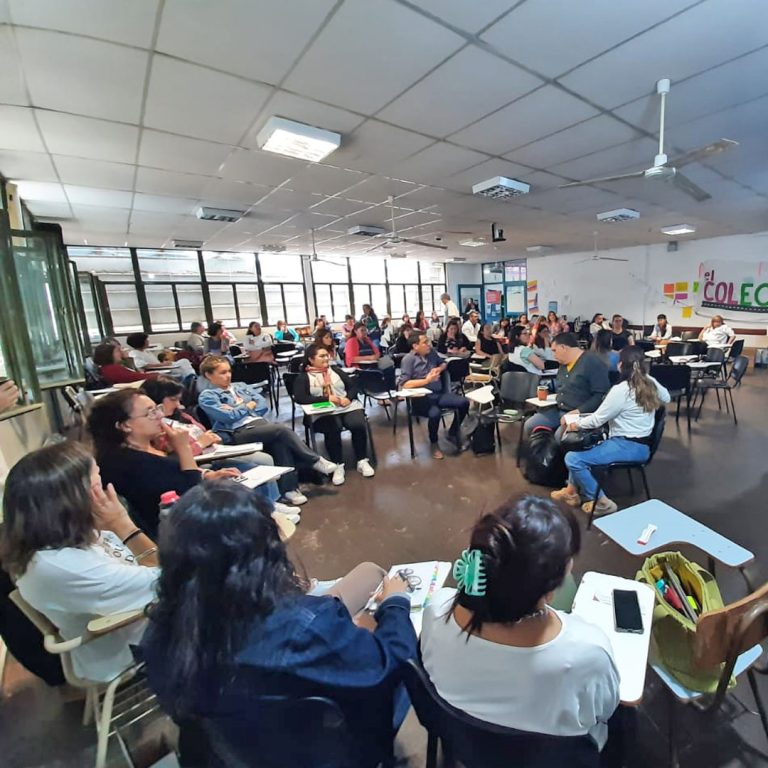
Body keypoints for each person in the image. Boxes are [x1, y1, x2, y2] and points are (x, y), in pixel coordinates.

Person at [140, 482, 417, 767]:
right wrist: (395, 604)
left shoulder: (159, 634)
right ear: (264, 551)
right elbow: (392, 665)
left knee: (368, 574)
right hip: (335, 750)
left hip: (238, 754)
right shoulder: (305, 627)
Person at [420, 496, 619, 751]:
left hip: (465, 745)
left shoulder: (438, 610)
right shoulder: (587, 653)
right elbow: (604, 711)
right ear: (550, 591)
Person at [0, 441, 159, 682]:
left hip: (143, 622)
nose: (105, 488)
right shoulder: (59, 565)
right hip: (133, 650)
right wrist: (124, 526)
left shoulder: (75, 536)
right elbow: (172, 581)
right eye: (97, 480)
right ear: (73, 496)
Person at [89, 390, 248, 538]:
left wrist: (206, 475)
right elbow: (192, 496)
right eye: (150, 413)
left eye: (157, 408)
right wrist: (183, 448)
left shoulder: (148, 446)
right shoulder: (129, 463)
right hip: (180, 532)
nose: (160, 415)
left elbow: (174, 474)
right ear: (124, 425)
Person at [140, 377, 300, 523]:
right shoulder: (161, 427)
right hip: (208, 455)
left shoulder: (180, 414)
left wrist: (209, 436)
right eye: (173, 400)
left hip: (215, 448)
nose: (178, 404)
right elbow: (176, 455)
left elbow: (260, 406)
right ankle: (271, 505)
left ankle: (271, 503)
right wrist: (200, 443)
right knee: (278, 436)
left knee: (273, 446)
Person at [197, 356, 338, 505]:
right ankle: (314, 460)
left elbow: (263, 405)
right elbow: (227, 417)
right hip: (236, 432)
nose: (228, 376)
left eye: (229, 371)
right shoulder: (208, 396)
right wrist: (247, 405)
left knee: (279, 443)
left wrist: (238, 408)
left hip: (259, 424)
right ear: (209, 375)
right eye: (222, 373)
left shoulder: (241, 386)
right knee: (281, 430)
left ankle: (288, 490)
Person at [555, 346, 670, 516]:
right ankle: (571, 492)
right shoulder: (649, 383)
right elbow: (666, 397)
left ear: (620, 365)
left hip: (626, 446)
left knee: (573, 459)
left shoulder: (621, 390)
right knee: (578, 449)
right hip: (642, 446)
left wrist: (576, 424)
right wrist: (645, 375)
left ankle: (602, 502)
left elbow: (597, 419)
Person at [294, 344, 375, 485]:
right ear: (311, 360)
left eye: (327, 355)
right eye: (322, 356)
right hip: (322, 412)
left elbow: (352, 387)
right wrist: (326, 398)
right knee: (333, 427)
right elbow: (301, 398)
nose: (326, 358)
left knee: (357, 423)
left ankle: (362, 460)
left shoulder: (336, 371)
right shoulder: (304, 377)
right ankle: (337, 464)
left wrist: (348, 398)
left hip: (346, 407)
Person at [523, 333, 610, 440]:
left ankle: (558, 455)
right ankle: (542, 453)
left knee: (561, 436)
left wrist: (577, 411)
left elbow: (600, 395)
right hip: (560, 410)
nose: (553, 355)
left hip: (581, 414)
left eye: (554, 351)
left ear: (563, 347)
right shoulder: (564, 365)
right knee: (530, 424)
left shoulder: (593, 363)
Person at [399, 333, 469, 460]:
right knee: (434, 414)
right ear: (415, 346)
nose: (429, 344)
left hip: (438, 394)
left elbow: (443, 363)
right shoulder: (408, 360)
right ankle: (434, 443)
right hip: (420, 398)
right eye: (425, 342)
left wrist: (439, 369)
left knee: (464, 402)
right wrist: (427, 380)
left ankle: (452, 432)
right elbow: (404, 384)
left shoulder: (431, 353)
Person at [126, 333, 195, 380]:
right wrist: (161, 364)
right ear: (141, 342)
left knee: (184, 361)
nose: (148, 341)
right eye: (147, 340)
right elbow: (143, 365)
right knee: (181, 369)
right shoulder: (134, 353)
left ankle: (192, 377)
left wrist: (163, 363)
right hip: (157, 370)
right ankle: (190, 378)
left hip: (161, 367)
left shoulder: (146, 351)